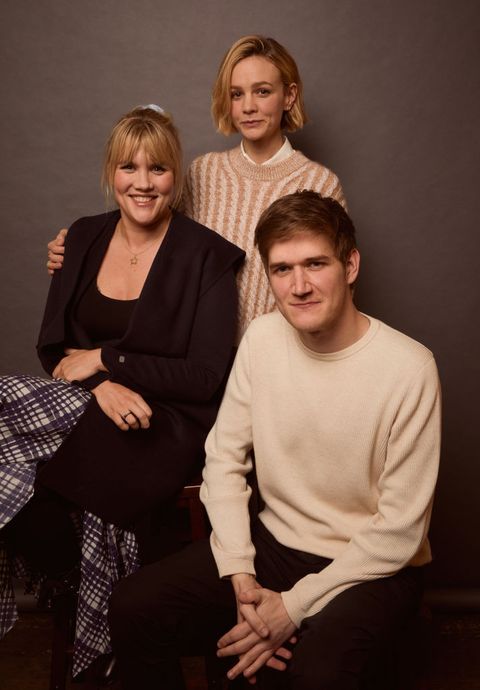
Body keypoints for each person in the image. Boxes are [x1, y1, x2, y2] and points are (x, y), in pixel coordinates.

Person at [107, 191, 441, 690]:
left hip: (371, 567)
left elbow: (398, 533)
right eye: (282, 269)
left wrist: (291, 607)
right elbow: (223, 460)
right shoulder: (262, 339)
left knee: (316, 674)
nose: (299, 286)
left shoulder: (410, 368)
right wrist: (240, 574)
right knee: (134, 605)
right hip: (275, 546)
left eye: (315, 264)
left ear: (350, 265)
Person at [0, 105, 244, 676]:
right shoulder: (84, 236)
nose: (143, 182)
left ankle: (73, 578)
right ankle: (67, 568)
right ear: (111, 171)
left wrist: (111, 361)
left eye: (157, 168)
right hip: (90, 403)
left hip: (164, 423)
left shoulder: (206, 256)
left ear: (175, 174)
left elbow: (207, 376)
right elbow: (55, 348)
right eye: (128, 167)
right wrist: (102, 385)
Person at [46, 35, 345, 334]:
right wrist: (82, 244)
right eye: (236, 94)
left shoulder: (319, 183)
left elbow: (333, 288)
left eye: (262, 91)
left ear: (289, 96)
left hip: (278, 351)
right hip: (195, 348)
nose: (248, 106)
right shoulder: (203, 171)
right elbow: (147, 225)